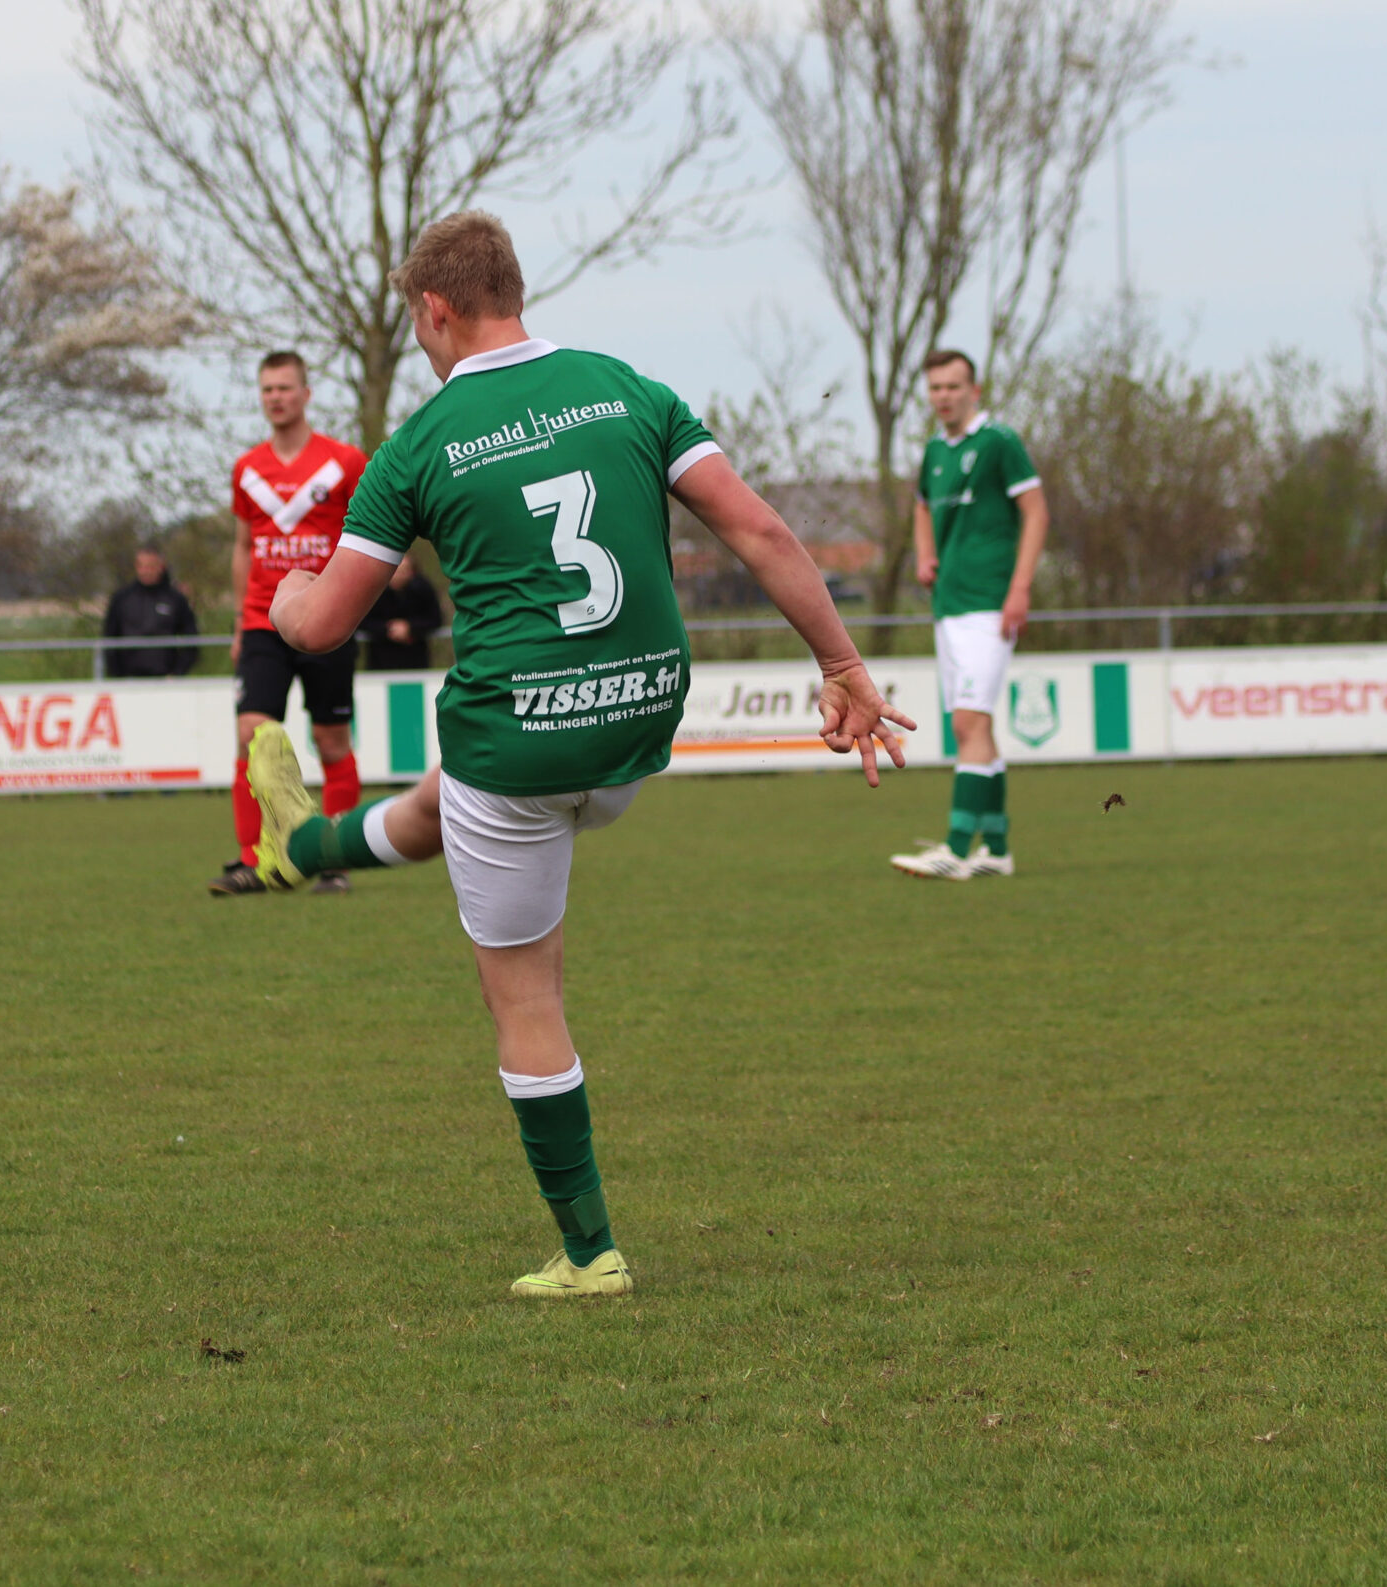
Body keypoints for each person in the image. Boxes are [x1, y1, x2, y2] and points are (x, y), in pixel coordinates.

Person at [241, 211, 912, 1298]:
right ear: (515, 288)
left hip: (519, 740)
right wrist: (842, 663)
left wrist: (286, 592)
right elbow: (762, 533)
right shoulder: (628, 389)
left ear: (433, 310)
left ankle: (590, 1251)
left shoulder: (418, 444)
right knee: (444, 801)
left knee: (524, 992)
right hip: (636, 725)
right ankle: (302, 845)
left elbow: (319, 631)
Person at [206, 351, 368, 898]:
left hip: (325, 618)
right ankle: (253, 861)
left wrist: (353, 600)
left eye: (284, 387)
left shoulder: (344, 462)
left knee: (330, 740)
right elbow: (242, 547)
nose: (275, 397)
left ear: (306, 393)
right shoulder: (247, 469)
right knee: (251, 735)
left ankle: (336, 861)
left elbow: (366, 537)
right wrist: (238, 622)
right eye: (267, 389)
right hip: (262, 621)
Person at [888, 349, 1048, 881]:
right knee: (978, 726)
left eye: (953, 386)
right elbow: (921, 504)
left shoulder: (999, 442)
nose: (944, 396)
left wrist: (1019, 588)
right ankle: (996, 850)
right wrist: (925, 553)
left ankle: (956, 849)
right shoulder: (935, 450)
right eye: (935, 387)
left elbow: (1036, 512)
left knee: (968, 723)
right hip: (949, 605)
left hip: (989, 604)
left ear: (974, 391)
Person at [98, 546, 199, 679]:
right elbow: (109, 637)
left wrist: (178, 672)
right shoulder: (121, 598)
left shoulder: (176, 599)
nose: (146, 571)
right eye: (142, 566)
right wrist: (117, 675)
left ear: (161, 567)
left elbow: (191, 639)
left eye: (151, 566)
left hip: (166, 680)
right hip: (128, 680)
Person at [357, 555, 444, 670]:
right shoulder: (373, 590)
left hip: (416, 659)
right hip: (380, 660)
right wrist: (388, 629)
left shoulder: (422, 589)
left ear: (412, 572)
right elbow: (361, 621)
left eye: (404, 570)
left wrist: (410, 628)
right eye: (395, 570)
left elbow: (435, 619)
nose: (399, 575)